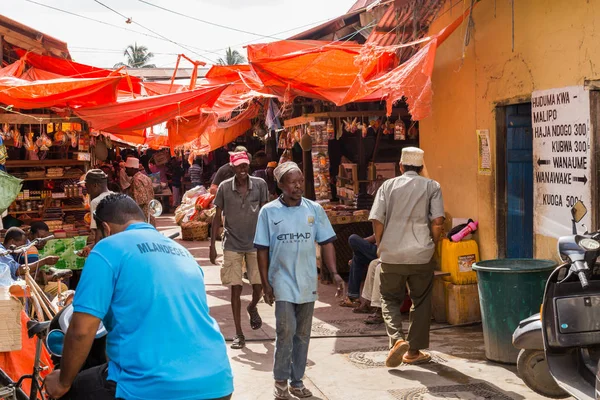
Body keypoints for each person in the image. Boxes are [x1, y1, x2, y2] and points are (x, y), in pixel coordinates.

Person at [44, 194, 234, 400]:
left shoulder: (107, 248)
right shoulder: (182, 251)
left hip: (154, 387)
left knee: (67, 389)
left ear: (106, 229)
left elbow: (81, 331)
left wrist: (63, 382)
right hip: (218, 380)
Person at [254, 162, 344, 399]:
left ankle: (297, 380)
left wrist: (335, 273)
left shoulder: (314, 209)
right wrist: (265, 284)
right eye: (292, 182)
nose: (297, 186)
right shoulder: (268, 212)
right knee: (285, 331)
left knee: (303, 334)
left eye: (300, 181)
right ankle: (281, 380)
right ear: (281, 185)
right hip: (281, 281)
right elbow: (262, 250)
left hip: (306, 282)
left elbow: (326, 243)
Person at [369, 147, 445, 368]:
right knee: (420, 301)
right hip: (421, 255)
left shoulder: (387, 186)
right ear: (421, 167)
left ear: (400, 166)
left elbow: (377, 220)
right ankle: (412, 352)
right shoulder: (432, 186)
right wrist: (432, 242)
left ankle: (396, 339)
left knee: (389, 299)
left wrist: (381, 243)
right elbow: (437, 221)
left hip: (391, 254)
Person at [210, 151, 269, 349]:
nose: (243, 169)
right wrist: (212, 246)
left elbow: (267, 214)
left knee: (258, 285)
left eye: (245, 165)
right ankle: (238, 333)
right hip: (232, 243)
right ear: (232, 168)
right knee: (235, 288)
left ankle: (252, 307)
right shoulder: (225, 188)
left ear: (248, 165)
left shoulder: (260, 185)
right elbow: (217, 217)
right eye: (239, 166)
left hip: (255, 243)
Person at [78, 169, 113, 257]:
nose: (87, 191)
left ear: (95, 185)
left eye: (87, 186)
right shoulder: (115, 196)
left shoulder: (96, 201)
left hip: (105, 245)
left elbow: (97, 232)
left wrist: (93, 249)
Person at [338, 234, 378, 309]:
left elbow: (376, 237)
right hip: (380, 249)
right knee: (357, 257)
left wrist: (361, 244)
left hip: (383, 251)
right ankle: (353, 298)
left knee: (353, 239)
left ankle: (353, 297)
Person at [124, 157, 156, 226]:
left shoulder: (136, 180)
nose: (125, 171)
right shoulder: (145, 177)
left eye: (127, 169)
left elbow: (141, 200)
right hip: (150, 212)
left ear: (132, 169)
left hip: (143, 215)